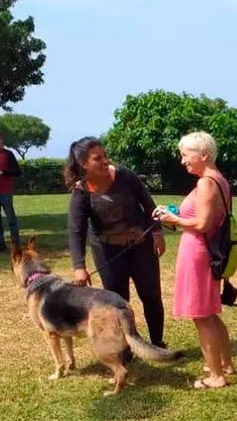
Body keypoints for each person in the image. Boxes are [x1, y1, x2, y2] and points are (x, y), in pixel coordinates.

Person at [65, 137, 169, 348]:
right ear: (84, 164)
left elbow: (147, 203)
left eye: (105, 155)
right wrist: (79, 267)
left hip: (141, 245)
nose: (105, 161)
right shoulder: (81, 192)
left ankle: (157, 342)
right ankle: (126, 347)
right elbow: (76, 230)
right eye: (98, 158)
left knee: (151, 294)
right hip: (108, 250)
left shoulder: (124, 175)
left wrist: (157, 232)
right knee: (118, 302)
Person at [152, 132, 234, 389]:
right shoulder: (216, 179)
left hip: (198, 253)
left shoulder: (206, 183)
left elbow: (202, 224)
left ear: (204, 155)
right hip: (205, 251)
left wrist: (173, 220)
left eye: (186, 154)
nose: (182, 160)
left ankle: (216, 375)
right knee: (209, 313)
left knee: (202, 316)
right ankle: (224, 364)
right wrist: (174, 214)